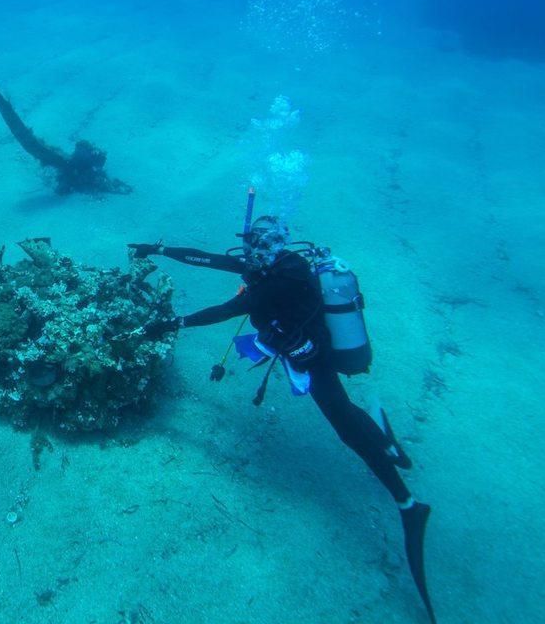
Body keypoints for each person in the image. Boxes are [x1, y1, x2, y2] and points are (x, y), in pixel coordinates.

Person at [129, 215, 436, 624]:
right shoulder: (279, 264)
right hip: (307, 346)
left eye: (257, 247)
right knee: (346, 412)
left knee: (344, 425)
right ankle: (391, 446)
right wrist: (160, 249)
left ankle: (408, 504)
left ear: (269, 248)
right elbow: (208, 259)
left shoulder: (275, 282)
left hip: (316, 356)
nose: (250, 254)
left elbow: (225, 310)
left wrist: (172, 324)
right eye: (251, 246)